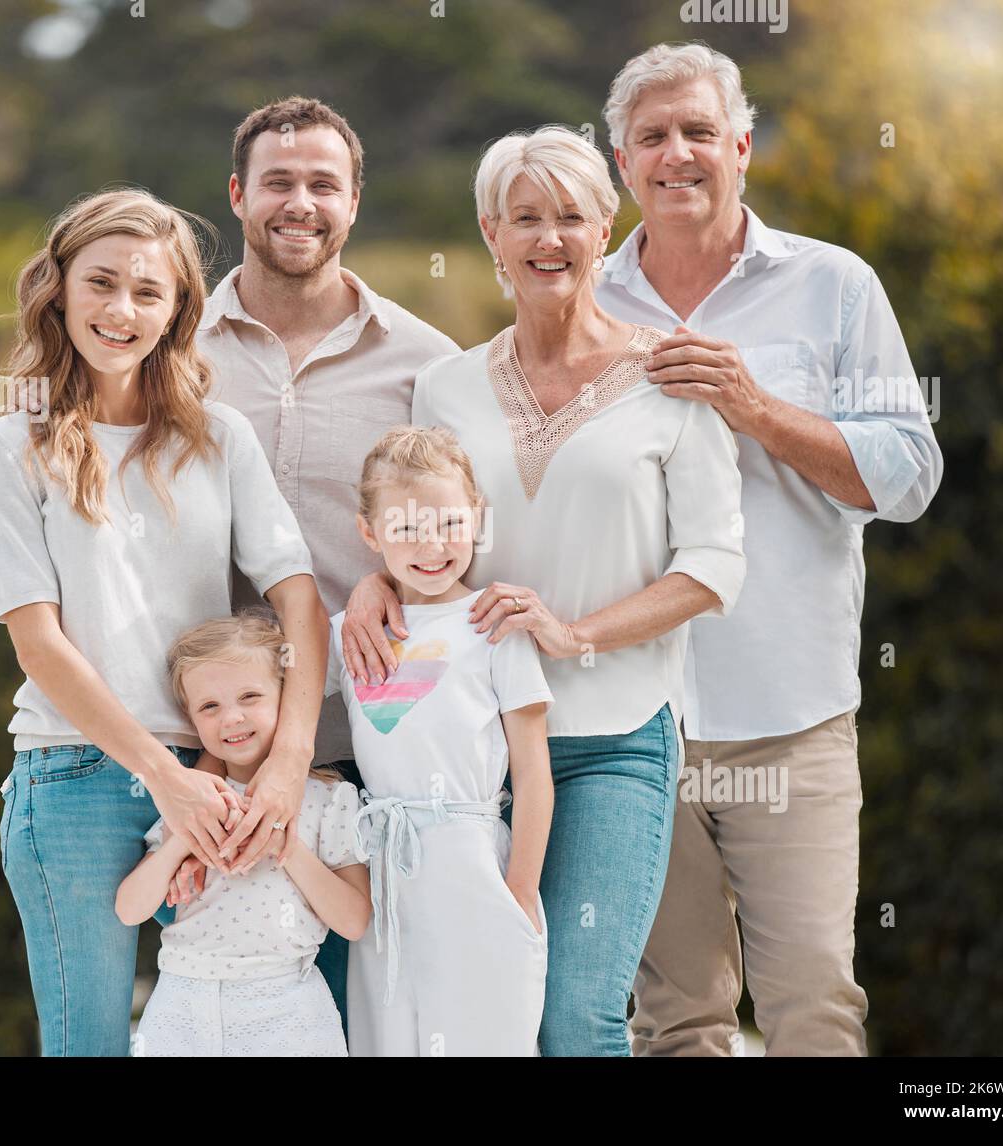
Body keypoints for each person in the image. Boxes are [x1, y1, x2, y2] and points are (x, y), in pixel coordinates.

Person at [340, 127, 747, 1056]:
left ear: (609, 226)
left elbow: (717, 563)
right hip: (467, 758)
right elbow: (420, 523)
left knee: (575, 1014)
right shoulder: (443, 386)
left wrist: (575, 634)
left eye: (571, 215)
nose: (548, 238)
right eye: (526, 217)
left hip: (610, 745)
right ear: (491, 232)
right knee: (481, 1016)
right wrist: (372, 582)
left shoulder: (671, 378)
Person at [597, 42, 943, 1056]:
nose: (676, 155)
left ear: (741, 147)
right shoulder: (583, 298)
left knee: (815, 1010)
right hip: (634, 723)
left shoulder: (834, 286)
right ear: (623, 163)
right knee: (678, 1022)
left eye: (698, 132)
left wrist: (757, 409)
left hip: (790, 717)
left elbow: (908, 475)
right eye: (651, 137)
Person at [0, 187, 327, 1056]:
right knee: (90, 1044)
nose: (120, 310)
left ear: (177, 312)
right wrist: (165, 783)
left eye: (147, 291)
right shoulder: (10, 446)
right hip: (76, 779)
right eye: (100, 283)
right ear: (57, 289)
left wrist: (281, 767)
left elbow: (299, 601)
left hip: (223, 776)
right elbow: (38, 643)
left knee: (244, 1025)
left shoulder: (221, 438)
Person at [187, 96, 460, 1025]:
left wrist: (393, 570)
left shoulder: (428, 365)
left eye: (322, 184)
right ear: (237, 194)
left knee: (370, 1012)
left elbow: (459, 533)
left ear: (353, 202)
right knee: (236, 993)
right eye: (277, 182)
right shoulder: (174, 355)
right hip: (222, 746)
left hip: (382, 732)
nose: (298, 203)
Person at [326, 426, 554, 1056]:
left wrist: (518, 893)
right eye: (404, 530)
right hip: (383, 871)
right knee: (392, 1038)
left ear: (476, 518)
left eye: (450, 523)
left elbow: (533, 774)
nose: (431, 545)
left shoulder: (494, 624)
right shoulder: (351, 631)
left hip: (473, 860)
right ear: (369, 533)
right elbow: (281, 714)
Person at [117, 613, 370, 1056]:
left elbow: (353, 920)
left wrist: (285, 849)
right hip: (182, 1006)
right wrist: (183, 839)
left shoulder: (329, 799)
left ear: (286, 697)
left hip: (288, 1009)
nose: (231, 718)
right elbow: (130, 910)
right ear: (190, 717)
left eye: (250, 696)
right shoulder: (189, 803)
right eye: (209, 707)